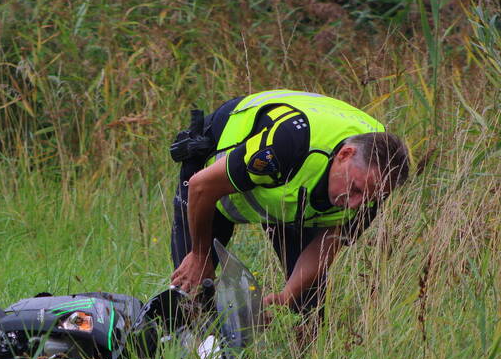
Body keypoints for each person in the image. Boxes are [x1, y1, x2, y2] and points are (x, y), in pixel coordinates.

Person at [168, 89, 409, 333]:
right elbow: (201, 187)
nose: (355, 205)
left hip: (292, 190)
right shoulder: (288, 144)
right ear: (345, 155)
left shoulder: (377, 181)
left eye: (368, 198)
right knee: (191, 288)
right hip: (216, 174)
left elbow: (326, 244)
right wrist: (200, 254)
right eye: (355, 189)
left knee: (309, 309)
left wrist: (285, 296)